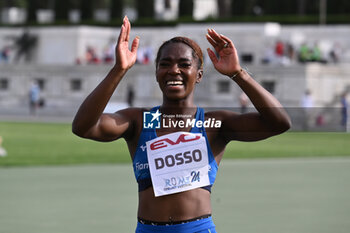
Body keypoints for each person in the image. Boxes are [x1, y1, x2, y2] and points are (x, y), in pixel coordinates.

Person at [72, 16, 291, 233]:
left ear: (199, 75)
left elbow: (278, 122)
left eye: (184, 64)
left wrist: (238, 73)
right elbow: (83, 127)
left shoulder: (214, 124)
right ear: (157, 73)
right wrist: (119, 70)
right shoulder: (138, 121)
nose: (174, 70)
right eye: (165, 64)